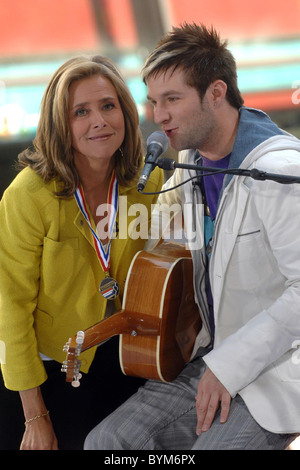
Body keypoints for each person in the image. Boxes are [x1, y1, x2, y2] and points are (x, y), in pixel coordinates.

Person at [84, 23, 300, 450]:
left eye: (172, 100)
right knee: (106, 442)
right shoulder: (188, 161)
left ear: (216, 93)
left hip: (277, 369)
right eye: (153, 103)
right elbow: (150, 235)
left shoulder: (279, 169)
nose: (158, 116)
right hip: (207, 358)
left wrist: (228, 367)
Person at [0, 55, 163, 450]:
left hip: (120, 359)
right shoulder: (28, 195)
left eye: (108, 106)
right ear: (60, 125)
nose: (99, 121)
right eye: (81, 112)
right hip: (42, 373)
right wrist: (35, 416)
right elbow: (10, 308)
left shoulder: (149, 179)